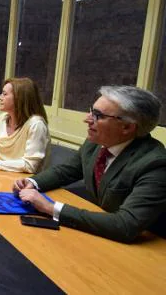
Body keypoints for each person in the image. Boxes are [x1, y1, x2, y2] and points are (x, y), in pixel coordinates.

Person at [14, 86, 166, 243]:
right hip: (101, 233)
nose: (87, 119)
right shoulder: (96, 142)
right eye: (91, 111)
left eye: (98, 115)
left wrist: (50, 207)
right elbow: (67, 171)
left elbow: (125, 225)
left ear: (127, 127)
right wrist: (33, 182)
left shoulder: (155, 164)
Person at [0, 77, 50, 173]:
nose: (0, 97)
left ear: (19, 98)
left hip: (24, 182)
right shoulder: (2, 119)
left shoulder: (36, 125)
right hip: (1, 173)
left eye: (5, 94)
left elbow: (30, 166)